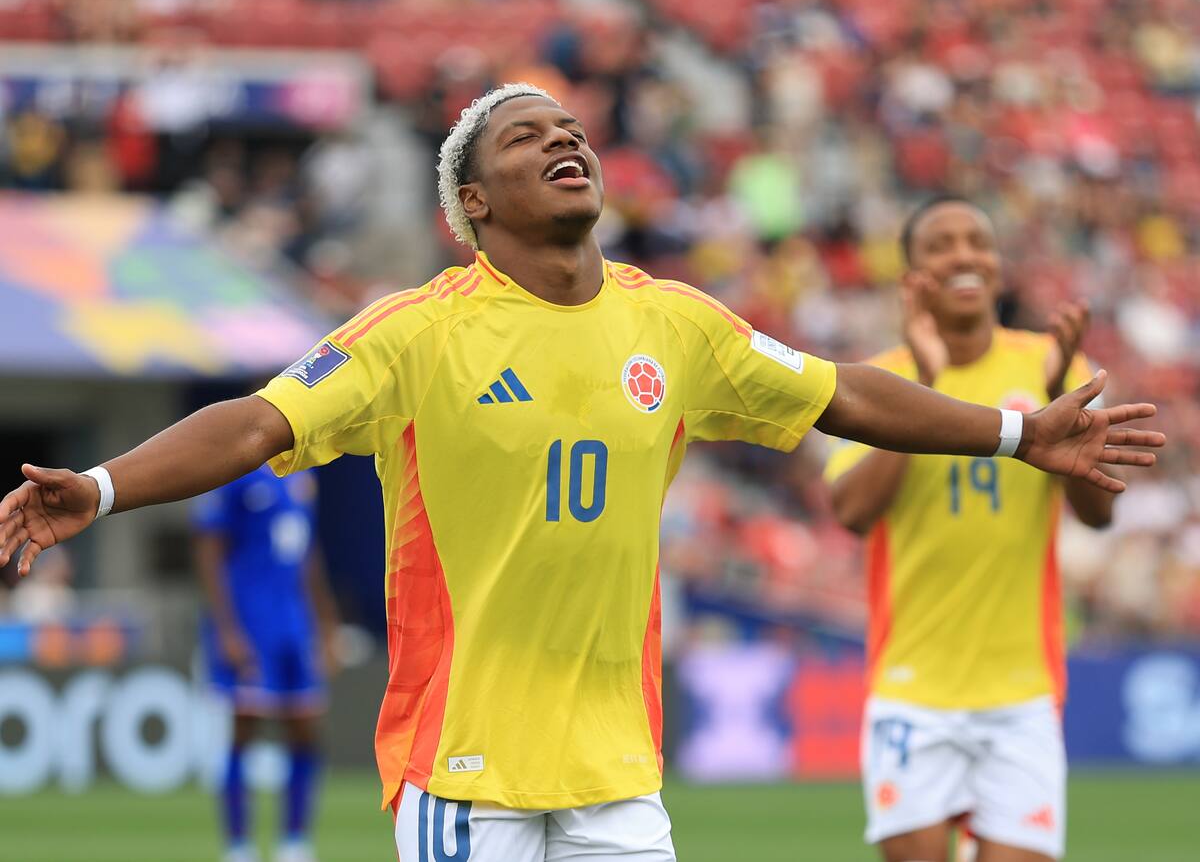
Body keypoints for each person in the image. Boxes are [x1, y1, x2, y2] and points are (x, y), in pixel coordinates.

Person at [0, 85, 1163, 862]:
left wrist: (1016, 437)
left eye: (574, 133)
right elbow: (255, 424)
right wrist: (98, 489)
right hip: (467, 768)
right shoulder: (416, 333)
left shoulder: (679, 325)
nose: (564, 143)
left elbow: (843, 392)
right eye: (525, 138)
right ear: (470, 206)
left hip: (620, 771)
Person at [824, 195, 1111, 862]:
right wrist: (923, 383)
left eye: (977, 241)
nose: (963, 255)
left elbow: (1097, 516)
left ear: (998, 267)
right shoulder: (883, 379)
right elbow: (851, 512)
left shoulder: (1051, 365)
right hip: (912, 688)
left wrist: (1053, 401)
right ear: (912, 278)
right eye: (941, 244)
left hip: (1022, 691)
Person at [193, 464, 338, 862]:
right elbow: (209, 551)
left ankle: (295, 842)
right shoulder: (236, 471)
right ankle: (238, 845)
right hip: (250, 621)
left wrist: (326, 622)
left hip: (294, 624)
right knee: (245, 727)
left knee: (305, 728)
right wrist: (226, 630)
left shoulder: (303, 473)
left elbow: (307, 552)